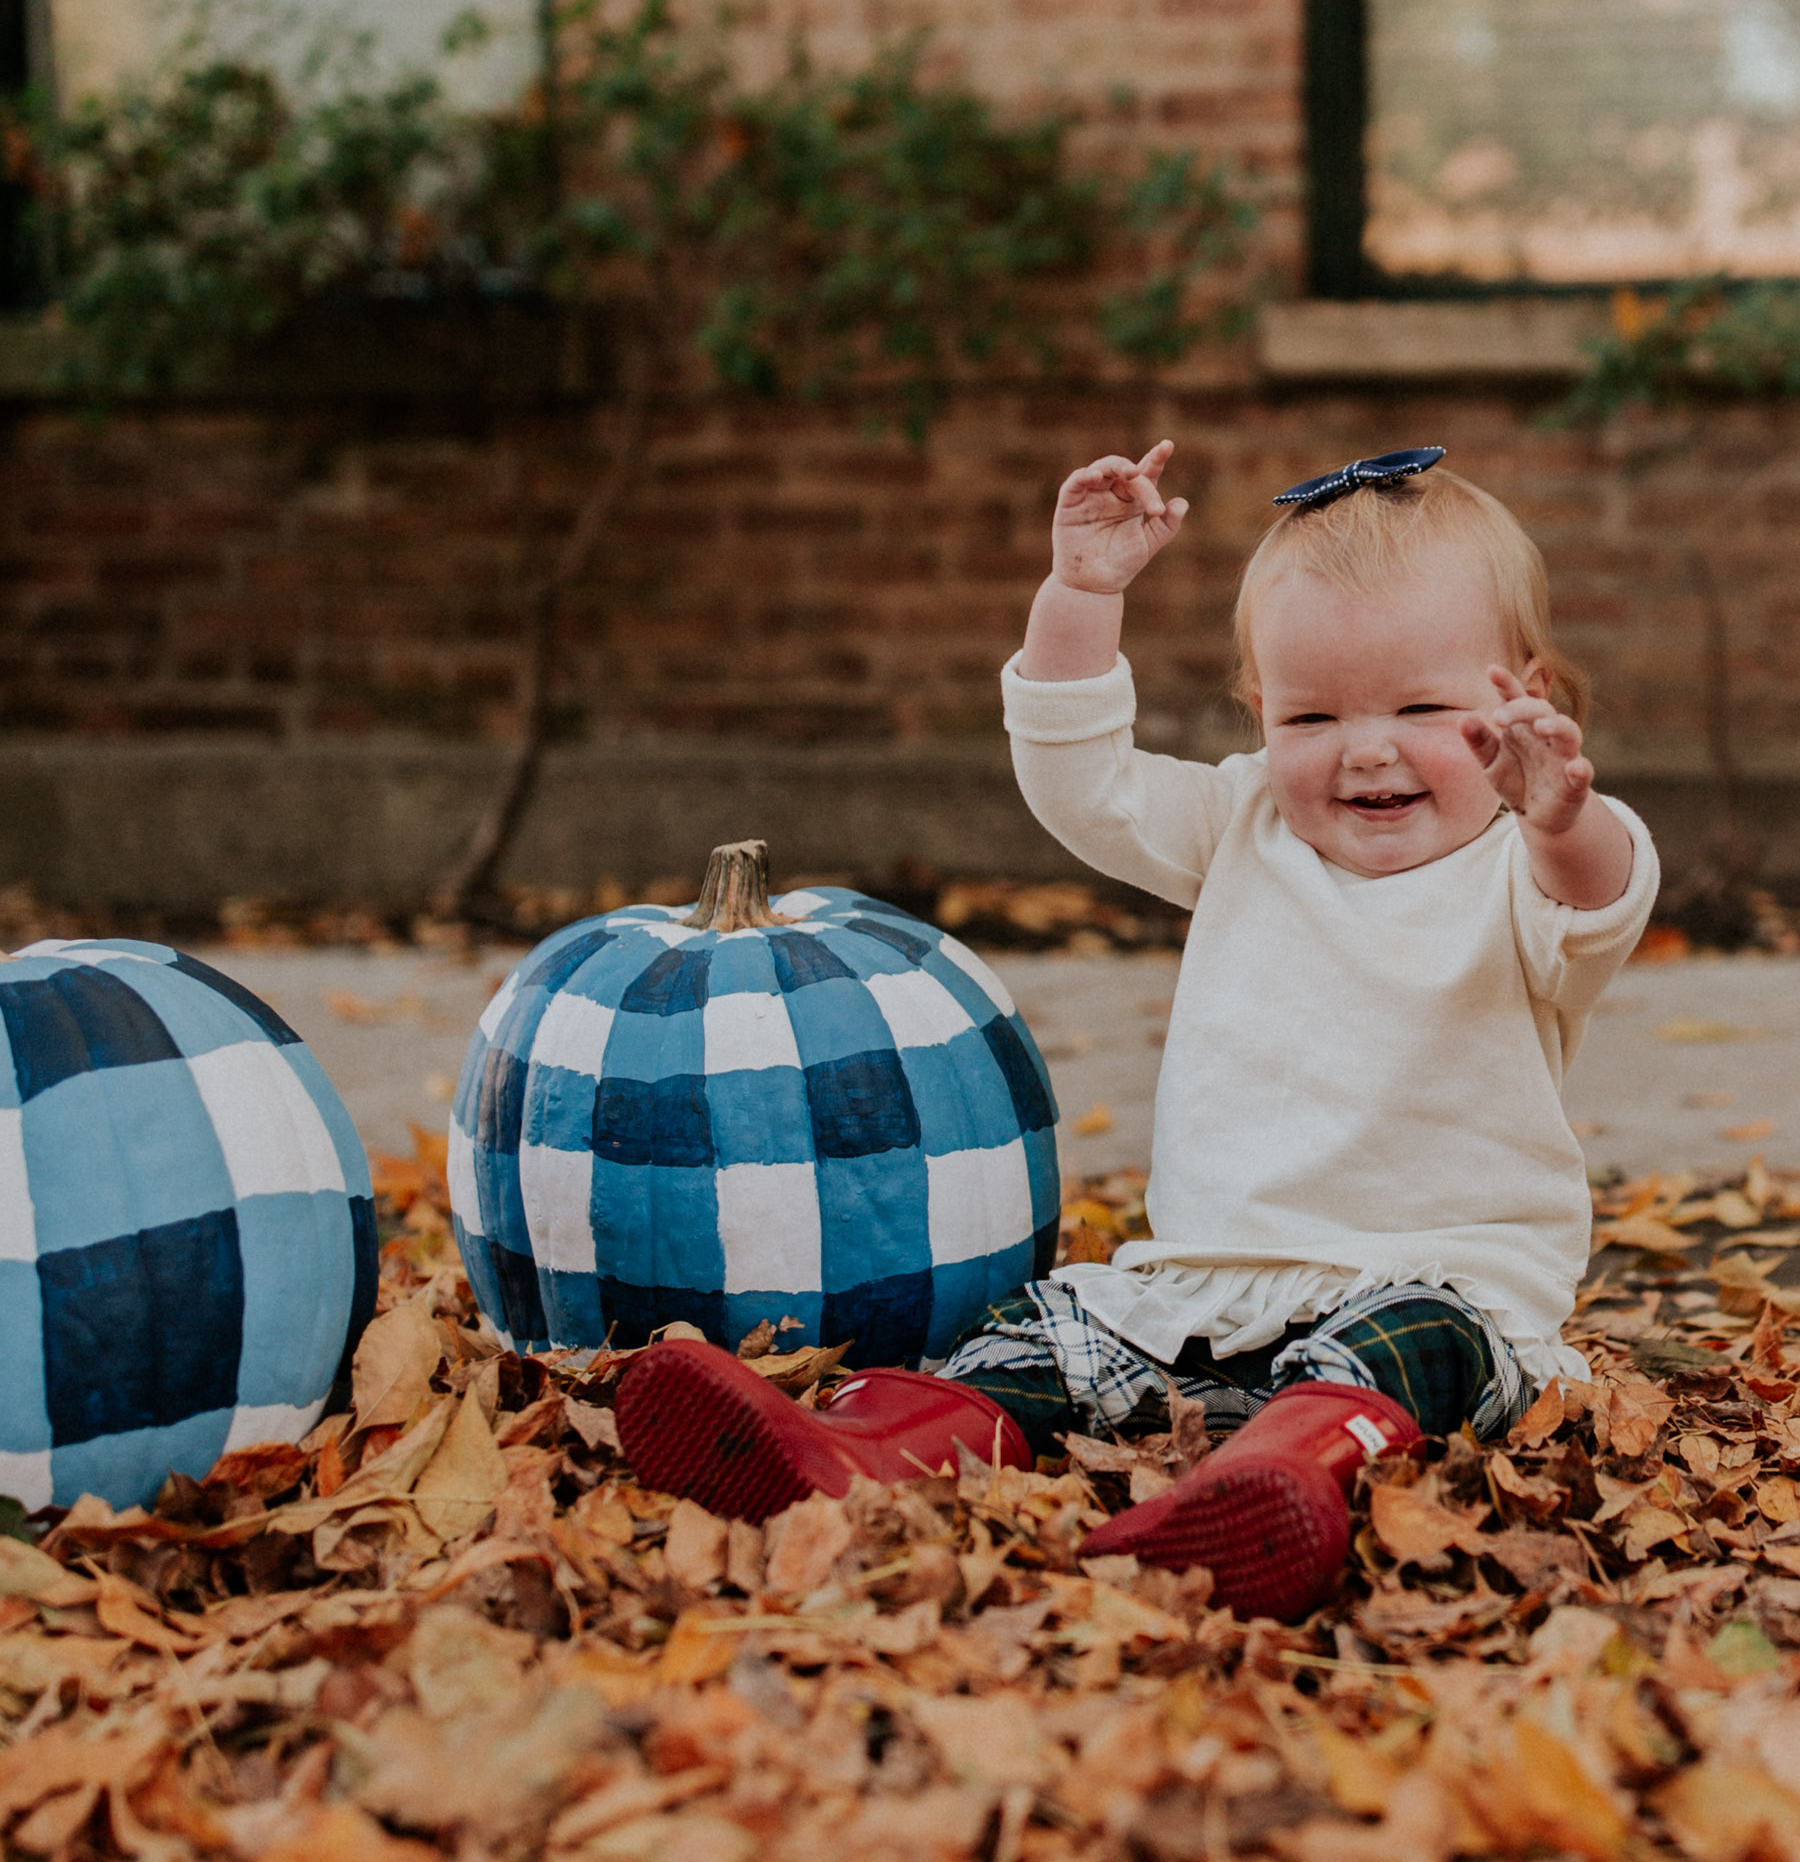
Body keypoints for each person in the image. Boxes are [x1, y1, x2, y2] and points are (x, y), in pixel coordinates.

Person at [617, 444, 1659, 1619]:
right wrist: (1082, 599)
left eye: (1423, 710)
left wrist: (1563, 812)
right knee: (1043, 1332)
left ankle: (1281, 1476)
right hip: (1210, 1284)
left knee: (1414, 1347)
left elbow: (1602, 896)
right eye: (1313, 714)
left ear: (1524, 701)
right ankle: (862, 1451)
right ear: (1262, 715)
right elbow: (1083, 786)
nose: (1367, 748)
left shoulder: (1524, 871)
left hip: (1448, 1281)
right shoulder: (1242, 824)